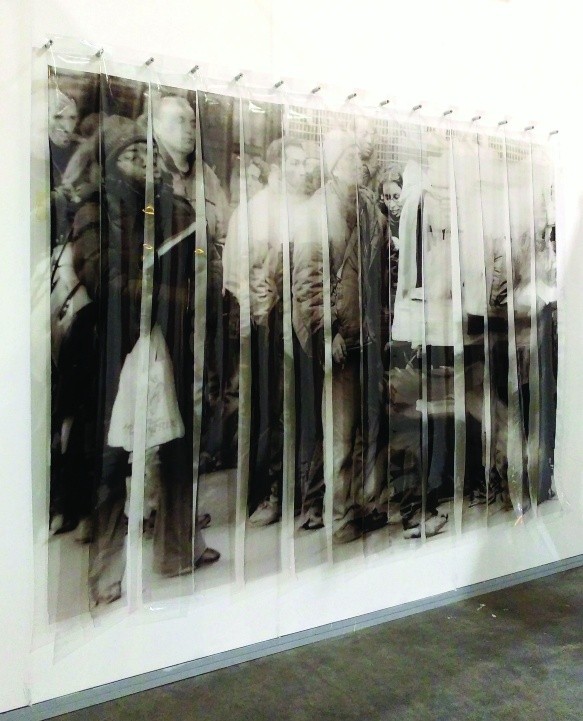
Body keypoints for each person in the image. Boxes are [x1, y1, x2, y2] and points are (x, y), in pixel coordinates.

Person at [69, 115, 218, 605]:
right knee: (113, 460)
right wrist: (173, 298)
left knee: (178, 449)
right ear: (111, 161)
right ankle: (106, 574)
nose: (147, 161)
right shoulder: (96, 209)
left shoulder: (177, 209)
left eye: (150, 153)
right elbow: (104, 281)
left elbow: (203, 270)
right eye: (133, 154)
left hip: (170, 343)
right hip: (115, 351)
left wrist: (205, 292)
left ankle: (179, 549)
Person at [292, 129, 385, 544]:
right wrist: (326, 332)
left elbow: (382, 271)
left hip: (367, 335)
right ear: (332, 165)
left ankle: (363, 505)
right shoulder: (316, 213)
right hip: (338, 338)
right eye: (347, 156)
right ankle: (340, 517)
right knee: (341, 437)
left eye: (358, 157)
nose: (357, 163)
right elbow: (308, 281)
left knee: (369, 430)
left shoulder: (369, 209)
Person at [223, 138, 308, 525]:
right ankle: (266, 492)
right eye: (295, 163)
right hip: (265, 322)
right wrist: (258, 312)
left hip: (298, 317)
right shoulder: (253, 212)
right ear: (276, 168)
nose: (302, 170)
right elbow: (238, 274)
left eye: (304, 163)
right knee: (267, 409)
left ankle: (294, 490)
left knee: (297, 406)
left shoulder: (303, 208)